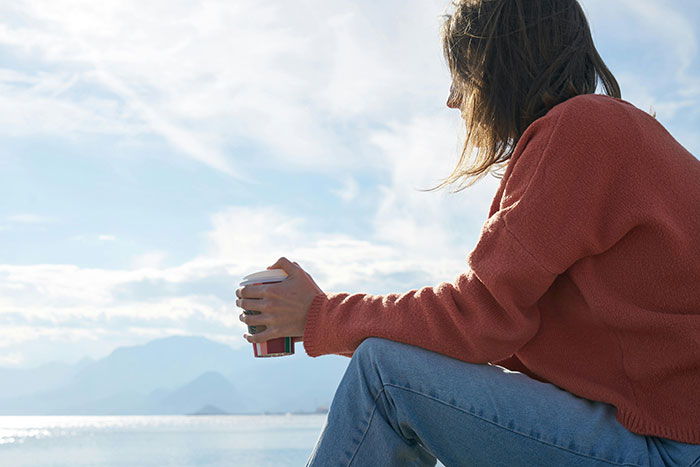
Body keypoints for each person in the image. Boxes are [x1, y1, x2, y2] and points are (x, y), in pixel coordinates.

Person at [235, 0, 700, 465]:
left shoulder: (582, 130)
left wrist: (319, 316)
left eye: (461, 72)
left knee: (382, 374)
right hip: (667, 433)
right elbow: (501, 334)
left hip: (669, 448)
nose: (453, 98)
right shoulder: (619, 134)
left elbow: (482, 317)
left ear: (495, 65)